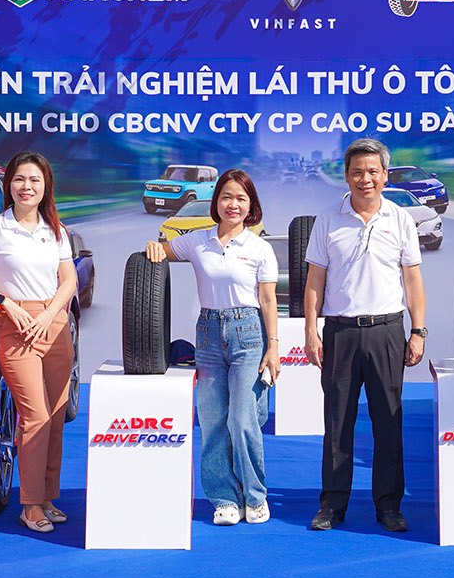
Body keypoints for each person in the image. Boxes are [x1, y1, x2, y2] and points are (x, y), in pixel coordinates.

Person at [303, 138, 427, 533]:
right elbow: (315, 280)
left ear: (385, 175)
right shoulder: (328, 219)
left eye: (373, 171)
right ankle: (332, 505)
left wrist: (418, 331)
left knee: (388, 422)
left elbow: (412, 280)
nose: (365, 178)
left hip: (387, 332)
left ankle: (389, 506)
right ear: (346, 176)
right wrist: (311, 330)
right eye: (357, 172)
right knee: (337, 422)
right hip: (339, 332)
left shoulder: (400, 219)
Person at [145, 170, 280, 525]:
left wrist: (273, 347)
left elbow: (268, 300)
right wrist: (153, 248)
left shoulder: (259, 248)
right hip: (207, 333)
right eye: (226, 197)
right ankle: (224, 498)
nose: (233, 204)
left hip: (248, 333)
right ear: (216, 201)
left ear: (251, 205)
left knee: (244, 419)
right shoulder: (197, 241)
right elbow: (164, 251)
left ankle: (255, 496)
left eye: (241, 199)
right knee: (212, 419)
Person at [0, 152, 79, 533]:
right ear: (9, 184)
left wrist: (49, 314)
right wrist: (7, 304)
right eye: (19, 179)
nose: (26, 187)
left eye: (34, 180)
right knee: (35, 416)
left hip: (53, 323)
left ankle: (46, 498)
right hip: (15, 325)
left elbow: (69, 281)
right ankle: (29, 505)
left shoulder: (55, 230)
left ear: (46, 187)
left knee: (56, 416)